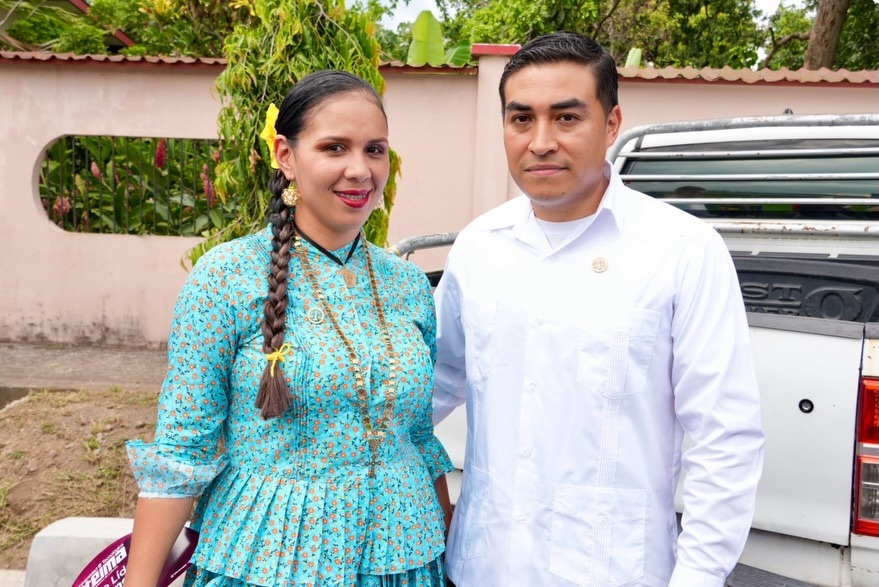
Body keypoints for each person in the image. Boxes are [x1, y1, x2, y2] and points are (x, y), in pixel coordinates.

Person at [433, 32, 765, 586]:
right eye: (521, 119)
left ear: (612, 125)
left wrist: (700, 576)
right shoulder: (479, 246)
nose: (541, 142)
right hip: (482, 566)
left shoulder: (681, 250)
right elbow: (429, 385)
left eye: (567, 118)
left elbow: (724, 436)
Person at [124, 70, 454, 587]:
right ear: (285, 155)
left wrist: (448, 557)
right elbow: (182, 452)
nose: (359, 170)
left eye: (374, 150)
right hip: (270, 560)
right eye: (334, 148)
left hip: (405, 559)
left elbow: (417, 438)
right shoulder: (226, 277)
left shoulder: (408, 285)